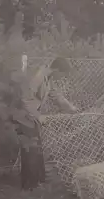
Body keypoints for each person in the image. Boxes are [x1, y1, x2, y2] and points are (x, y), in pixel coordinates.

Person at [16, 57, 78, 190]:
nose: (61, 77)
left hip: (31, 116)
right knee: (31, 149)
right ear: (56, 69)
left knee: (36, 147)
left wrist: (71, 108)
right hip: (24, 115)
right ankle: (30, 186)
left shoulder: (48, 78)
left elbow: (56, 95)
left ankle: (39, 181)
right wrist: (38, 116)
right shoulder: (38, 76)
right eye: (62, 74)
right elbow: (25, 98)